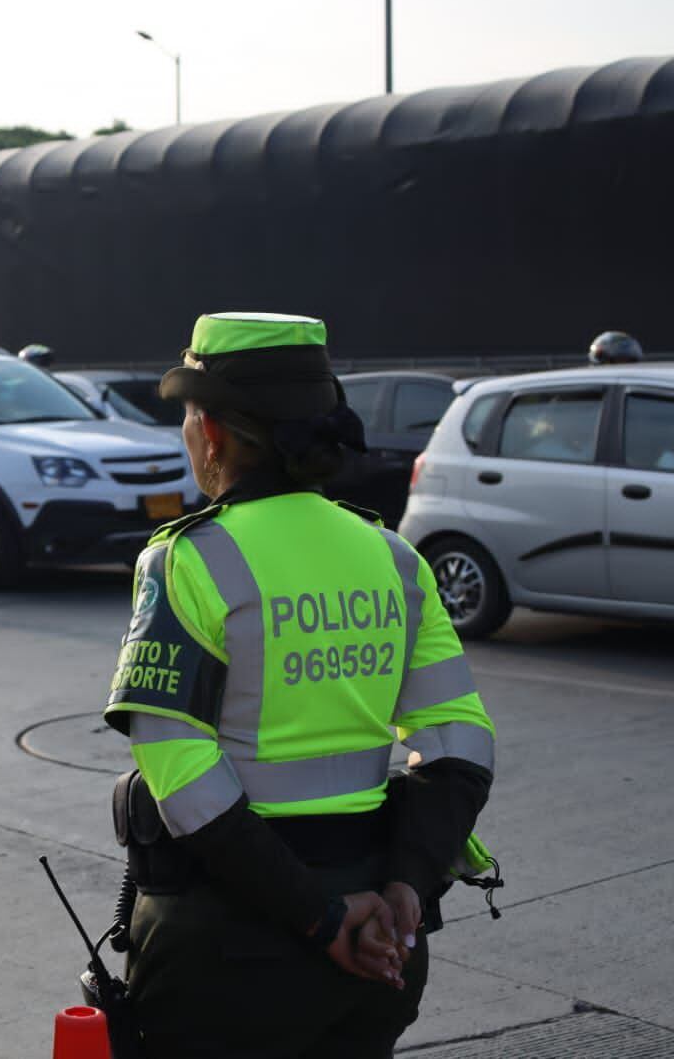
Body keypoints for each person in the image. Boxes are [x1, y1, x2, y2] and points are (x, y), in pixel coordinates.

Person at [103, 312, 496, 1058]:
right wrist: (409, 890)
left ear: (212, 433)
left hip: (231, 945)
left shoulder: (190, 560)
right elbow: (461, 739)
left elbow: (180, 774)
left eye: (189, 415)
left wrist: (320, 916)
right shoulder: (393, 557)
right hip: (384, 939)